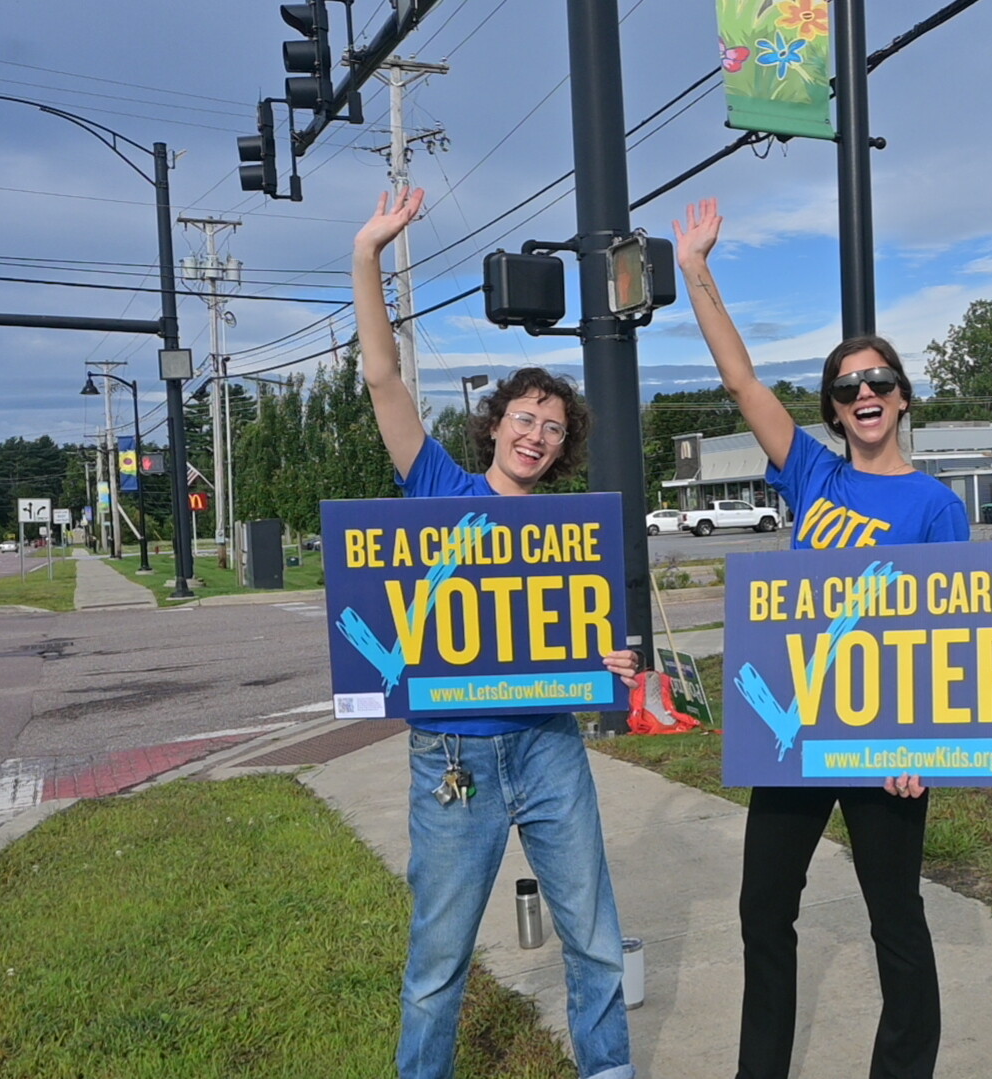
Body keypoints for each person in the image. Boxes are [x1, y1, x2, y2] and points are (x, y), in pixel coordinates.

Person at [674, 198, 968, 1079]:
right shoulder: (811, 473)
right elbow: (743, 383)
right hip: (794, 729)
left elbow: (950, 632)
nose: (865, 395)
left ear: (904, 397)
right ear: (834, 410)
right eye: (848, 387)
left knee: (894, 916)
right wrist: (697, 268)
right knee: (764, 909)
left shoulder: (936, 507)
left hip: (886, 738)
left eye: (879, 382)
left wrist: (927, 745)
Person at [354, 187, 641, 1079]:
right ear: (495, 424)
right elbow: (380, 378)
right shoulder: (440, 487)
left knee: (594, 939)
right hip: (454, 758)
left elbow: (587, 644)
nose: (539, 435)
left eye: (554, 429)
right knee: (438, 965)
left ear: (563, 448)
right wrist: (369, 253)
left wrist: (611, 661)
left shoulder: (570, 535)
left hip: (550, 745)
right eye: (526, 418)